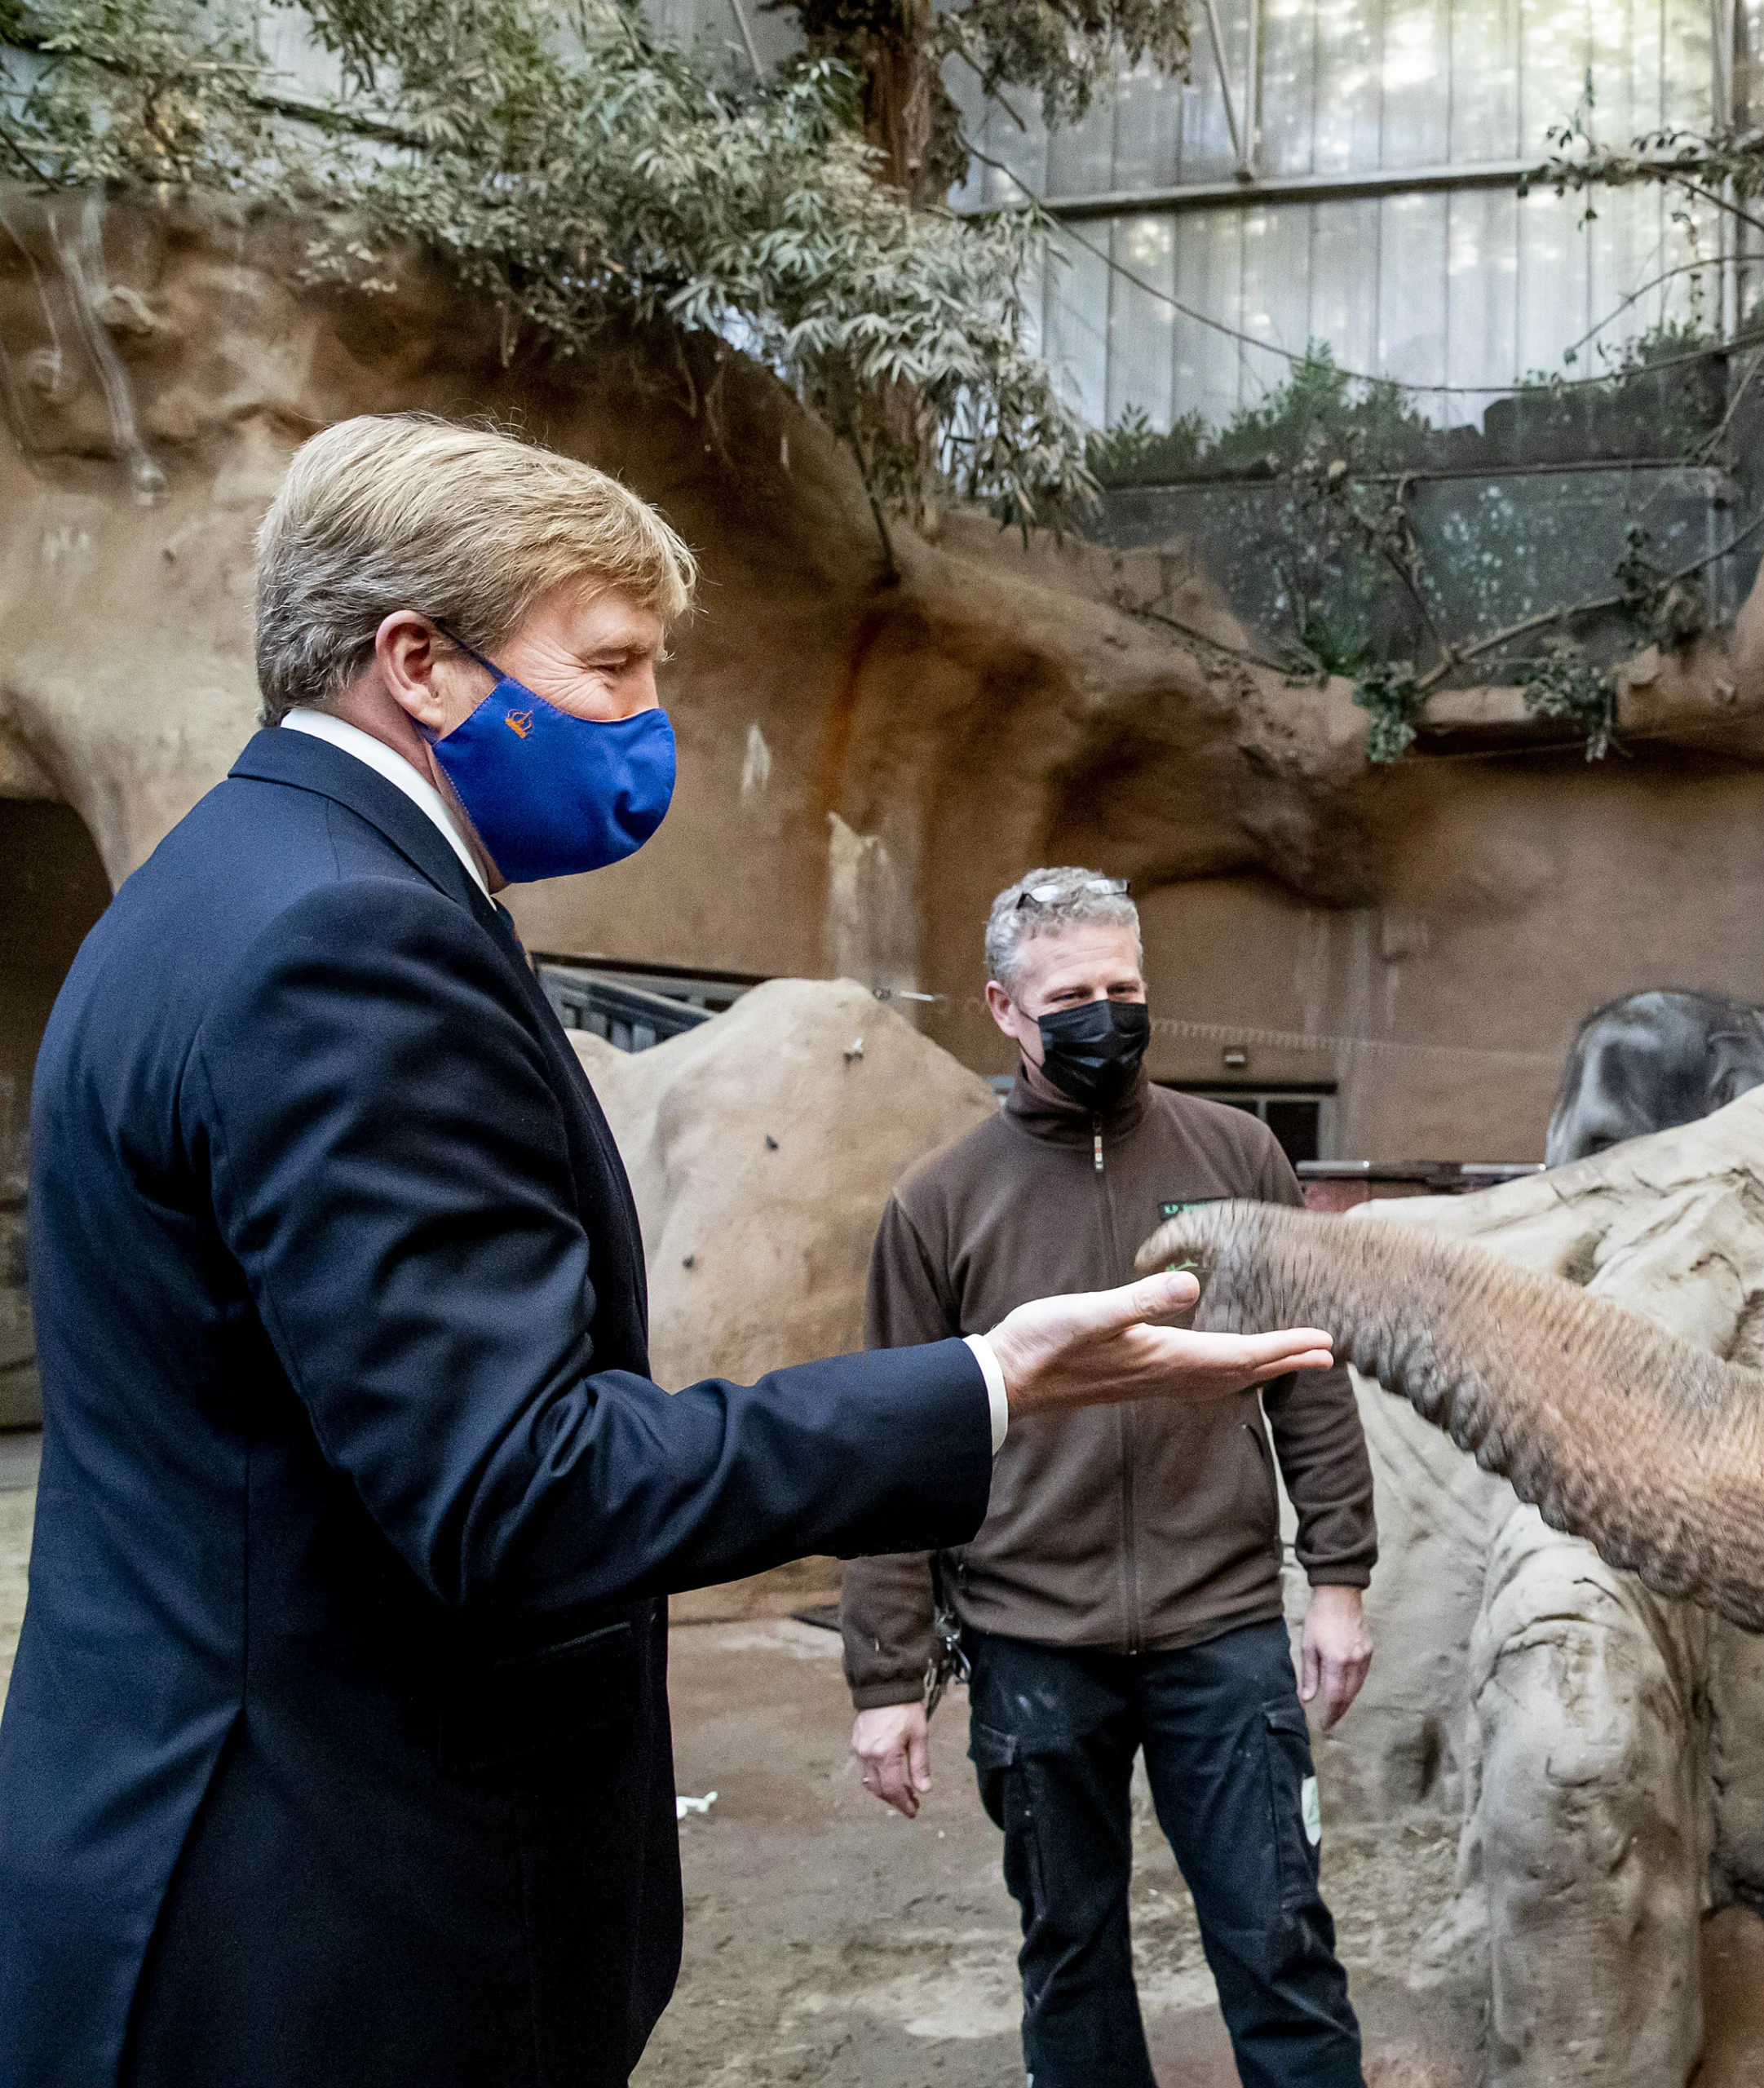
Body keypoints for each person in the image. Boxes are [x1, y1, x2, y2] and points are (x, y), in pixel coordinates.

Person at [0, 415, 1333, 2088]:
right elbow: (521, 1487)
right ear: (418, 659)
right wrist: (994, 1378)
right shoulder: (348, 941)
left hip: (193, 1842)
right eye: (612, 665)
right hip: (320, 1912)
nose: (650, 719)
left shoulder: (216, 888)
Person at [844, 869, 1376, 2088]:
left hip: (1221, 1626)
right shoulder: (939, 1205)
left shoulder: (1237, 1153)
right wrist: (886, 1677)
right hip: (1035, 1641)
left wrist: (1338, 1577)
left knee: (1279, 1935)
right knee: (1072, 1953)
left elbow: (1308, 1374)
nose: (1104, 1013)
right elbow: (891, 1456)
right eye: (1070, 994)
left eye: (1123, 989)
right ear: (1003, 1008)